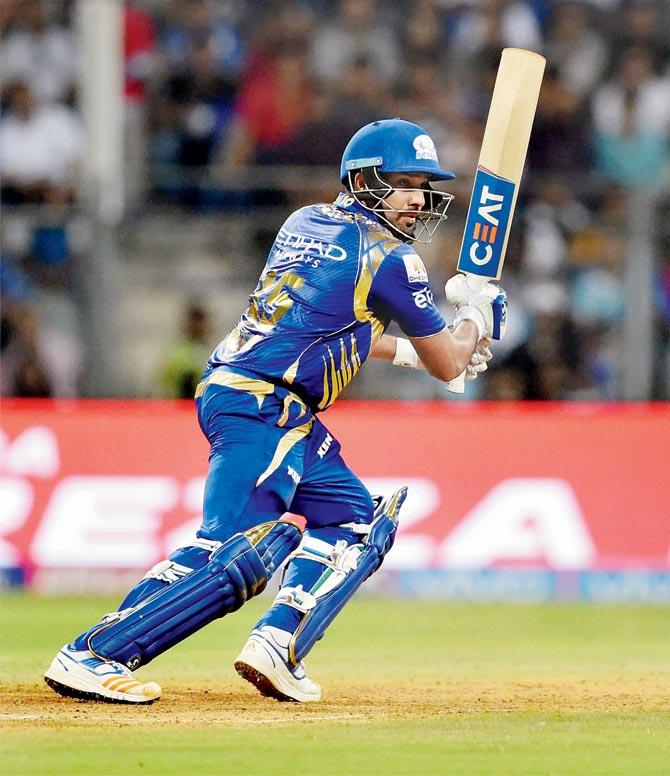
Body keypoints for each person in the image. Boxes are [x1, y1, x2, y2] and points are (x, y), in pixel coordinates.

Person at [43, 119, 506, 705]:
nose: (418, 198)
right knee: (233, 554)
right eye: (404, 182)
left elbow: (337, 325)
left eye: (424, 185)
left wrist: (429, 350)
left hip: (254, 396)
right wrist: (474, 316)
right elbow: (450, 363)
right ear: (364, 182)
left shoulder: (305, 222)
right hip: (265, 406)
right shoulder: (394, 260)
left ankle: (277, 643)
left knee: (357, 523)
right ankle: (94, 654)